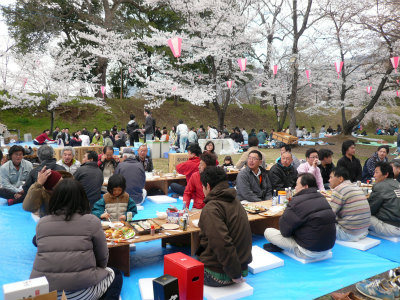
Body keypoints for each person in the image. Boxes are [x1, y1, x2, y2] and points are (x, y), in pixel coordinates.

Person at [30, 179, 123, 300]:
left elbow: (38, 243)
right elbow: (103, 258)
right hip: (81, 292)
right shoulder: (91, 221)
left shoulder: (42, 223)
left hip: (43, 292)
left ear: (55, 198)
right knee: (115, 274)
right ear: (82, 198)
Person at [197, 166, 252, 287]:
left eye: (202, 187)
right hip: (242, 268)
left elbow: (222, 243)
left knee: (182, 269)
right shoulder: (235, 200)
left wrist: (235, 274)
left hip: (222, 274)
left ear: (208, 186)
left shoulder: (211, 208)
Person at [263, 173, 336, 259]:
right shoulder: (322, 198)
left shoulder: (296, 201)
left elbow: (284, 232)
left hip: (308, 252)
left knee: (268, 232)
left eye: (297, 185)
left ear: (305, 187)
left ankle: (281, 247)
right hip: (327, 249)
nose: (295, 187)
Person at [329, 167, 371, 241]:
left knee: (318, 224)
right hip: (364, 232)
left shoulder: (339, 189)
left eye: (331, 177)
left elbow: (329, 214)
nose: (329, 180)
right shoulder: (356, 187)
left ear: (340, 179)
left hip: (349, 234)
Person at [368, 162, 400, 237]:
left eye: (376, 172)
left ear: (386, 174)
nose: (374, 175)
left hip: (391, 228)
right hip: (396, 224)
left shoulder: (380, 186)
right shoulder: (398, 184)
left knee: (361, 214)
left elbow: (370, 209)